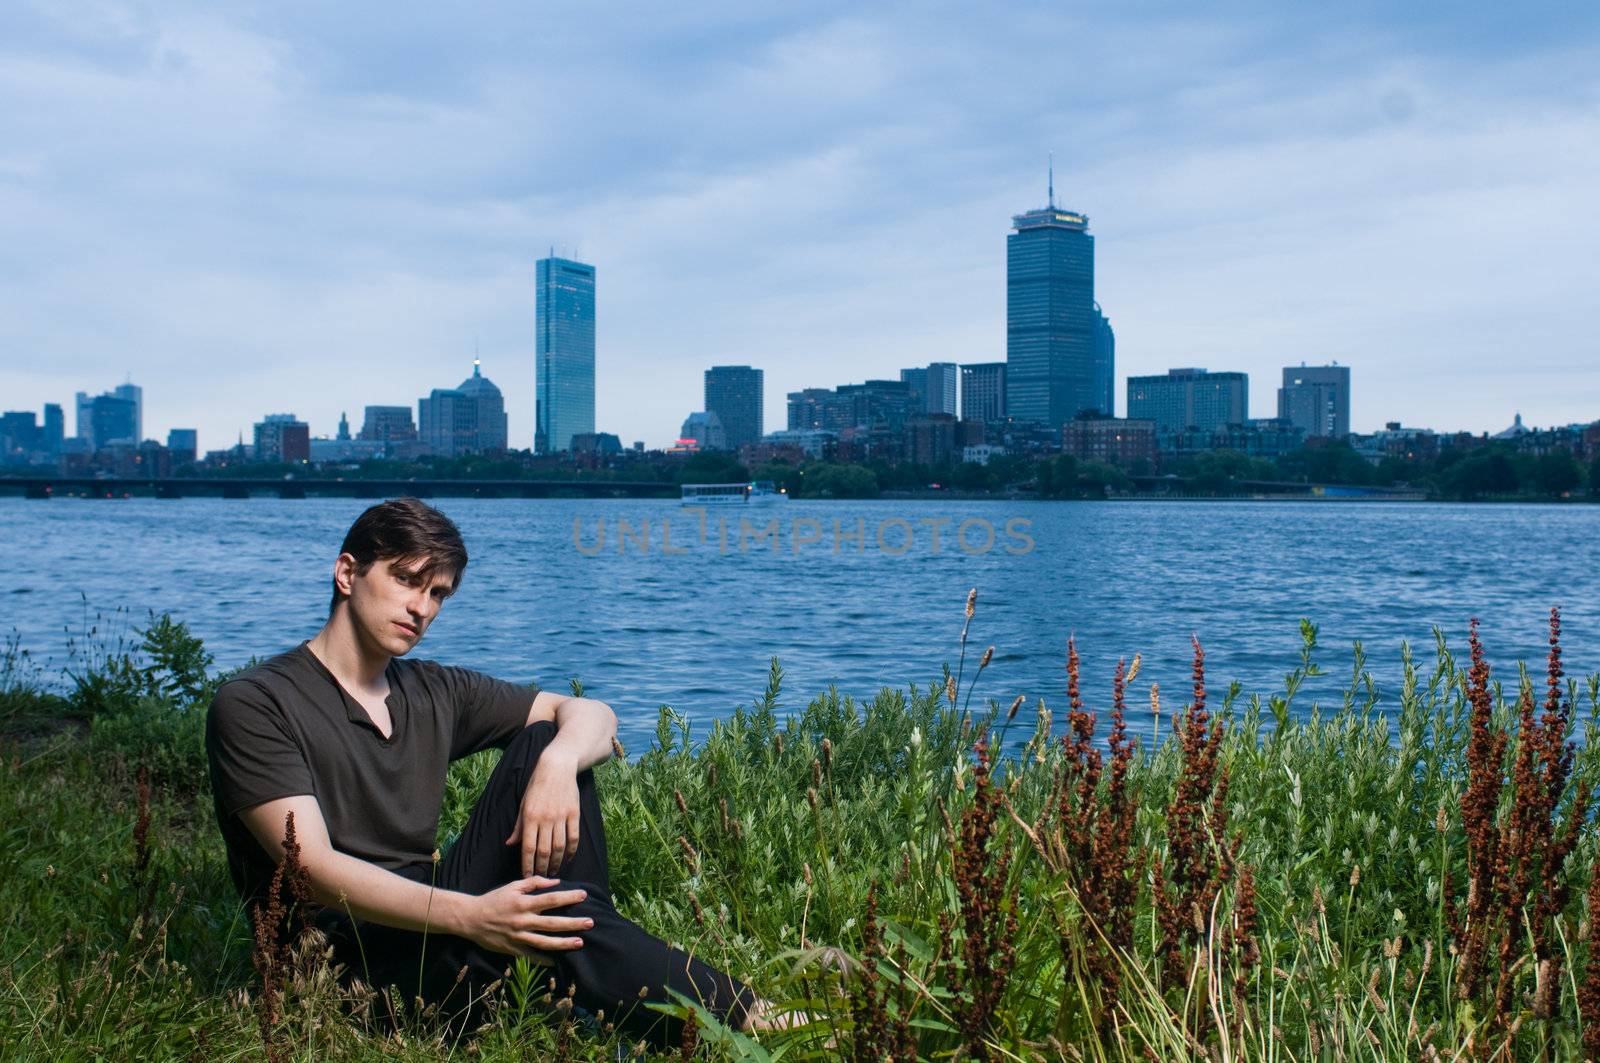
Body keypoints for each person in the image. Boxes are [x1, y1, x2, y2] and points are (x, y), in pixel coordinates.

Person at [205, 497, 760, 1045]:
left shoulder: (433, 689)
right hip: (342, 968)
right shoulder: (256, 703)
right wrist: (472, 917)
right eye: (405, 580)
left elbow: (595, 715)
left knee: (547, 738)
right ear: (348, 573)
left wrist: (557, 767)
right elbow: (315, 870)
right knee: (559, 920)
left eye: (438, 594)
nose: (421, 608)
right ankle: (751, 1017)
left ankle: (596, 967)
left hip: (436, 924)